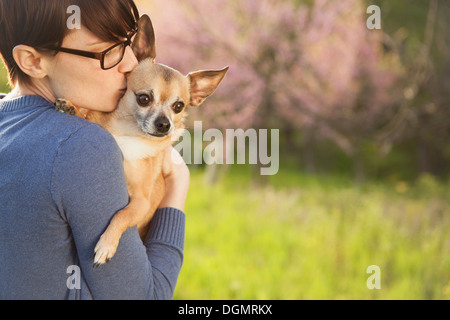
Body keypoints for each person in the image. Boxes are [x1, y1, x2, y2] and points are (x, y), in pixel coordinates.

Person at [0, 0, 190, 299]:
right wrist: (177, 186)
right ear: (33, 61)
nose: (130, 65)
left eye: (127, 43)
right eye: (107, 51)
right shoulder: (81, 145)